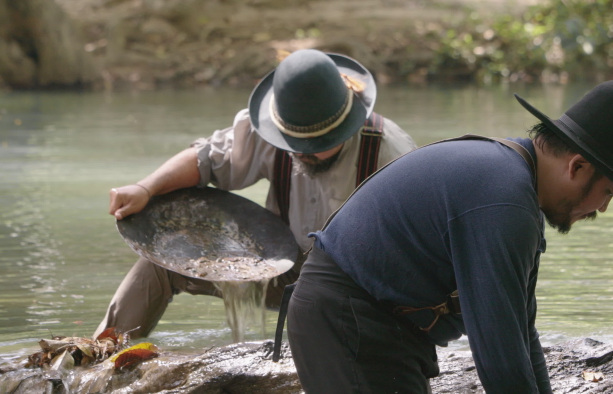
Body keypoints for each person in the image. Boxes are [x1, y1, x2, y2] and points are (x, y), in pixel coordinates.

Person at [283, 81, 613, 393]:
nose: (602, 209)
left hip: (380, 327)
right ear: (578, 166)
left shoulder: (515, 192)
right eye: (607, 193)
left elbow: (522, 336)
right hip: (346, 320)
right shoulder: (504, 200)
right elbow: (499, 355)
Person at [94, 49, 416, 340]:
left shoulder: (391, 154)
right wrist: (146, 188)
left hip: (359, 287)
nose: (302, 152)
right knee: (162, 261)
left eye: (317, 144)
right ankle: (98, 357)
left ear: (348, 125)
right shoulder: (270, 128)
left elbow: (415, 259)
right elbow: (206, 160)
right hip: (286, 271)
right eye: (294, 143)